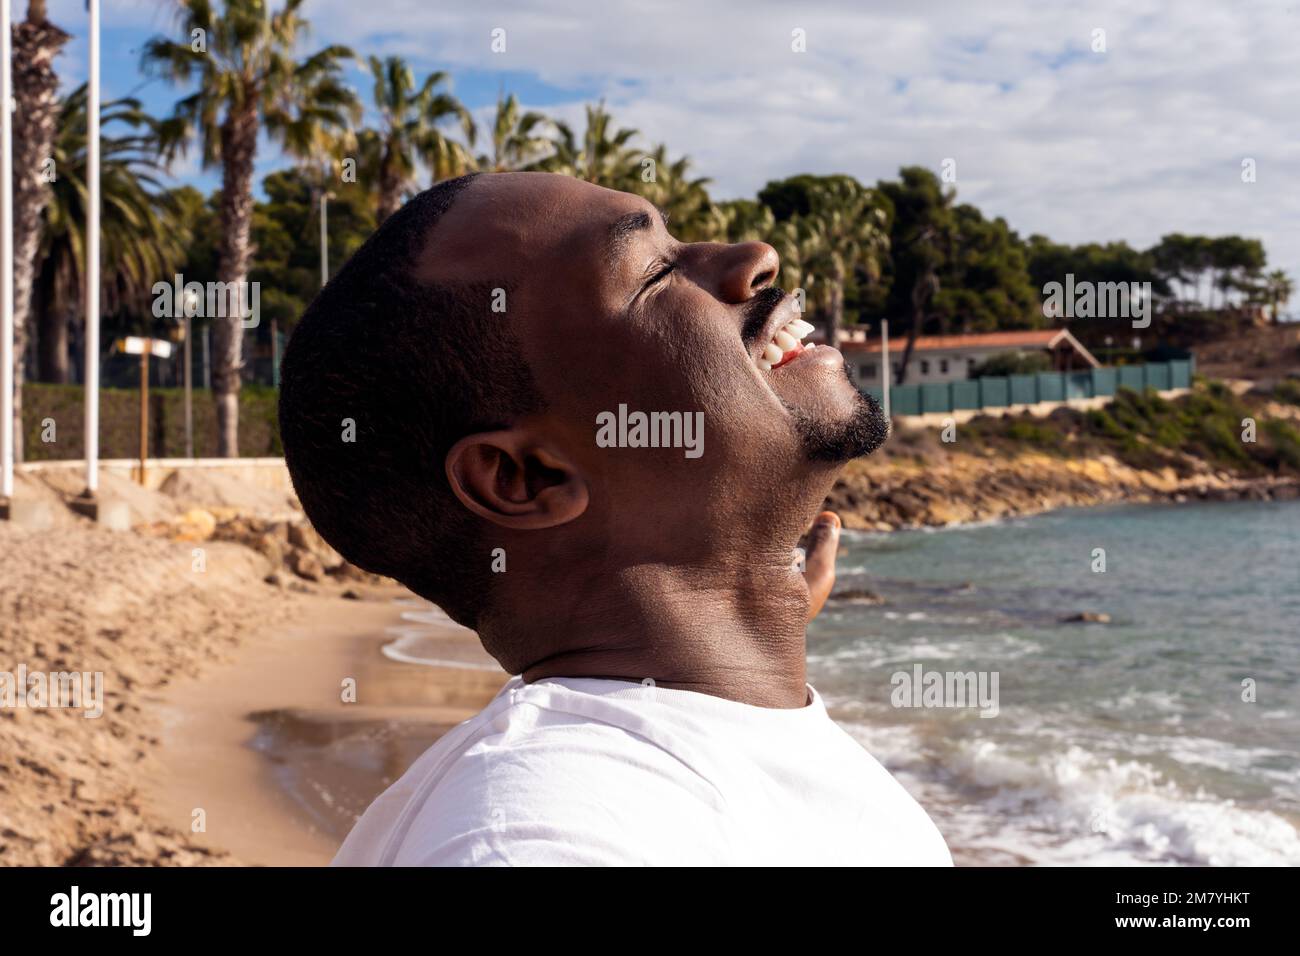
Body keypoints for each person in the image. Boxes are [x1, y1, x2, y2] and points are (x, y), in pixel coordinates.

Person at [278, 171, 952, 866]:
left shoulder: (672, 742)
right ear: (526, 479)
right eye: (656, 273)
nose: (755, 255)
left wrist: (743, 610)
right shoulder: (540, 833)